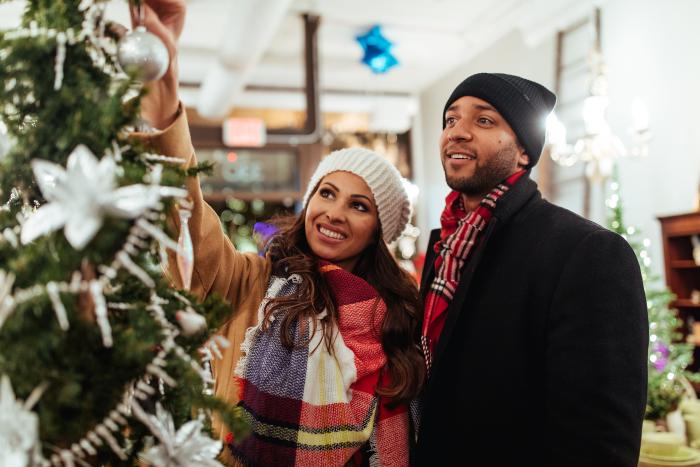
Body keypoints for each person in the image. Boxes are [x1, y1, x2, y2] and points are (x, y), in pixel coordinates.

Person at [131, 1, 424, 466]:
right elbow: (181, 210)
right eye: (326, 193)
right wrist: (161, 81)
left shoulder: (394, 318)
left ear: (378, 231)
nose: (334, 213)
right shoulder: (250, 282)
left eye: (359, 205)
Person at [414, 73, 648, 466]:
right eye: (451, 120)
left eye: (484, 120)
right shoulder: (445, 248)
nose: (457, 132)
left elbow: (601, 442)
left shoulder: (588, 251)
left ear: (523, 150)